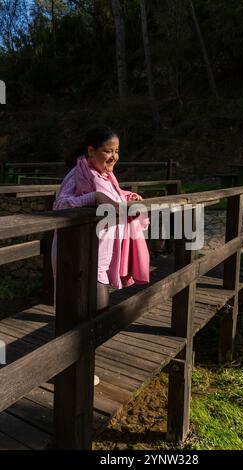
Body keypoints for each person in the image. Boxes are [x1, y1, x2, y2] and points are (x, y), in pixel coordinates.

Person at [51, 125, 150, 386]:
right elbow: (60, 205)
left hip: (102, 256)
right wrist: (92, 197)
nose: (114, 156)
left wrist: (127, 196)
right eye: (108, 151)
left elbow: (111, 198)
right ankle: (75, 370)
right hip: (81, 255)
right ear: (91, 150)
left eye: (117, 151)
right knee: (87, 312)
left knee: (94, 313)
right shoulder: (78, 172)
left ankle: (79, 366)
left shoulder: (105, 175)